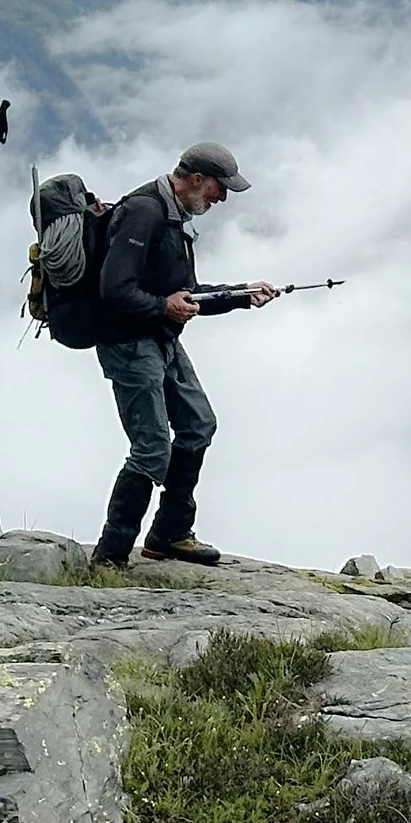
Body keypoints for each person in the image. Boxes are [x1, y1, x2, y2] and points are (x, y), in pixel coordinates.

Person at [89, 142, 275, 568]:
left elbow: (186, 295)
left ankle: (169, 534)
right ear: (196, 179)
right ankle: (109, 557)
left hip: (161, 339)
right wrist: (162, 307)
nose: (221, 198)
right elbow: (114, 291)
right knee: (152, 448)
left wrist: (241, 295)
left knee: (198, 424)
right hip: (128, 343)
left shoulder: (175, 217)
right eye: (219, 188)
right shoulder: (144, 212)